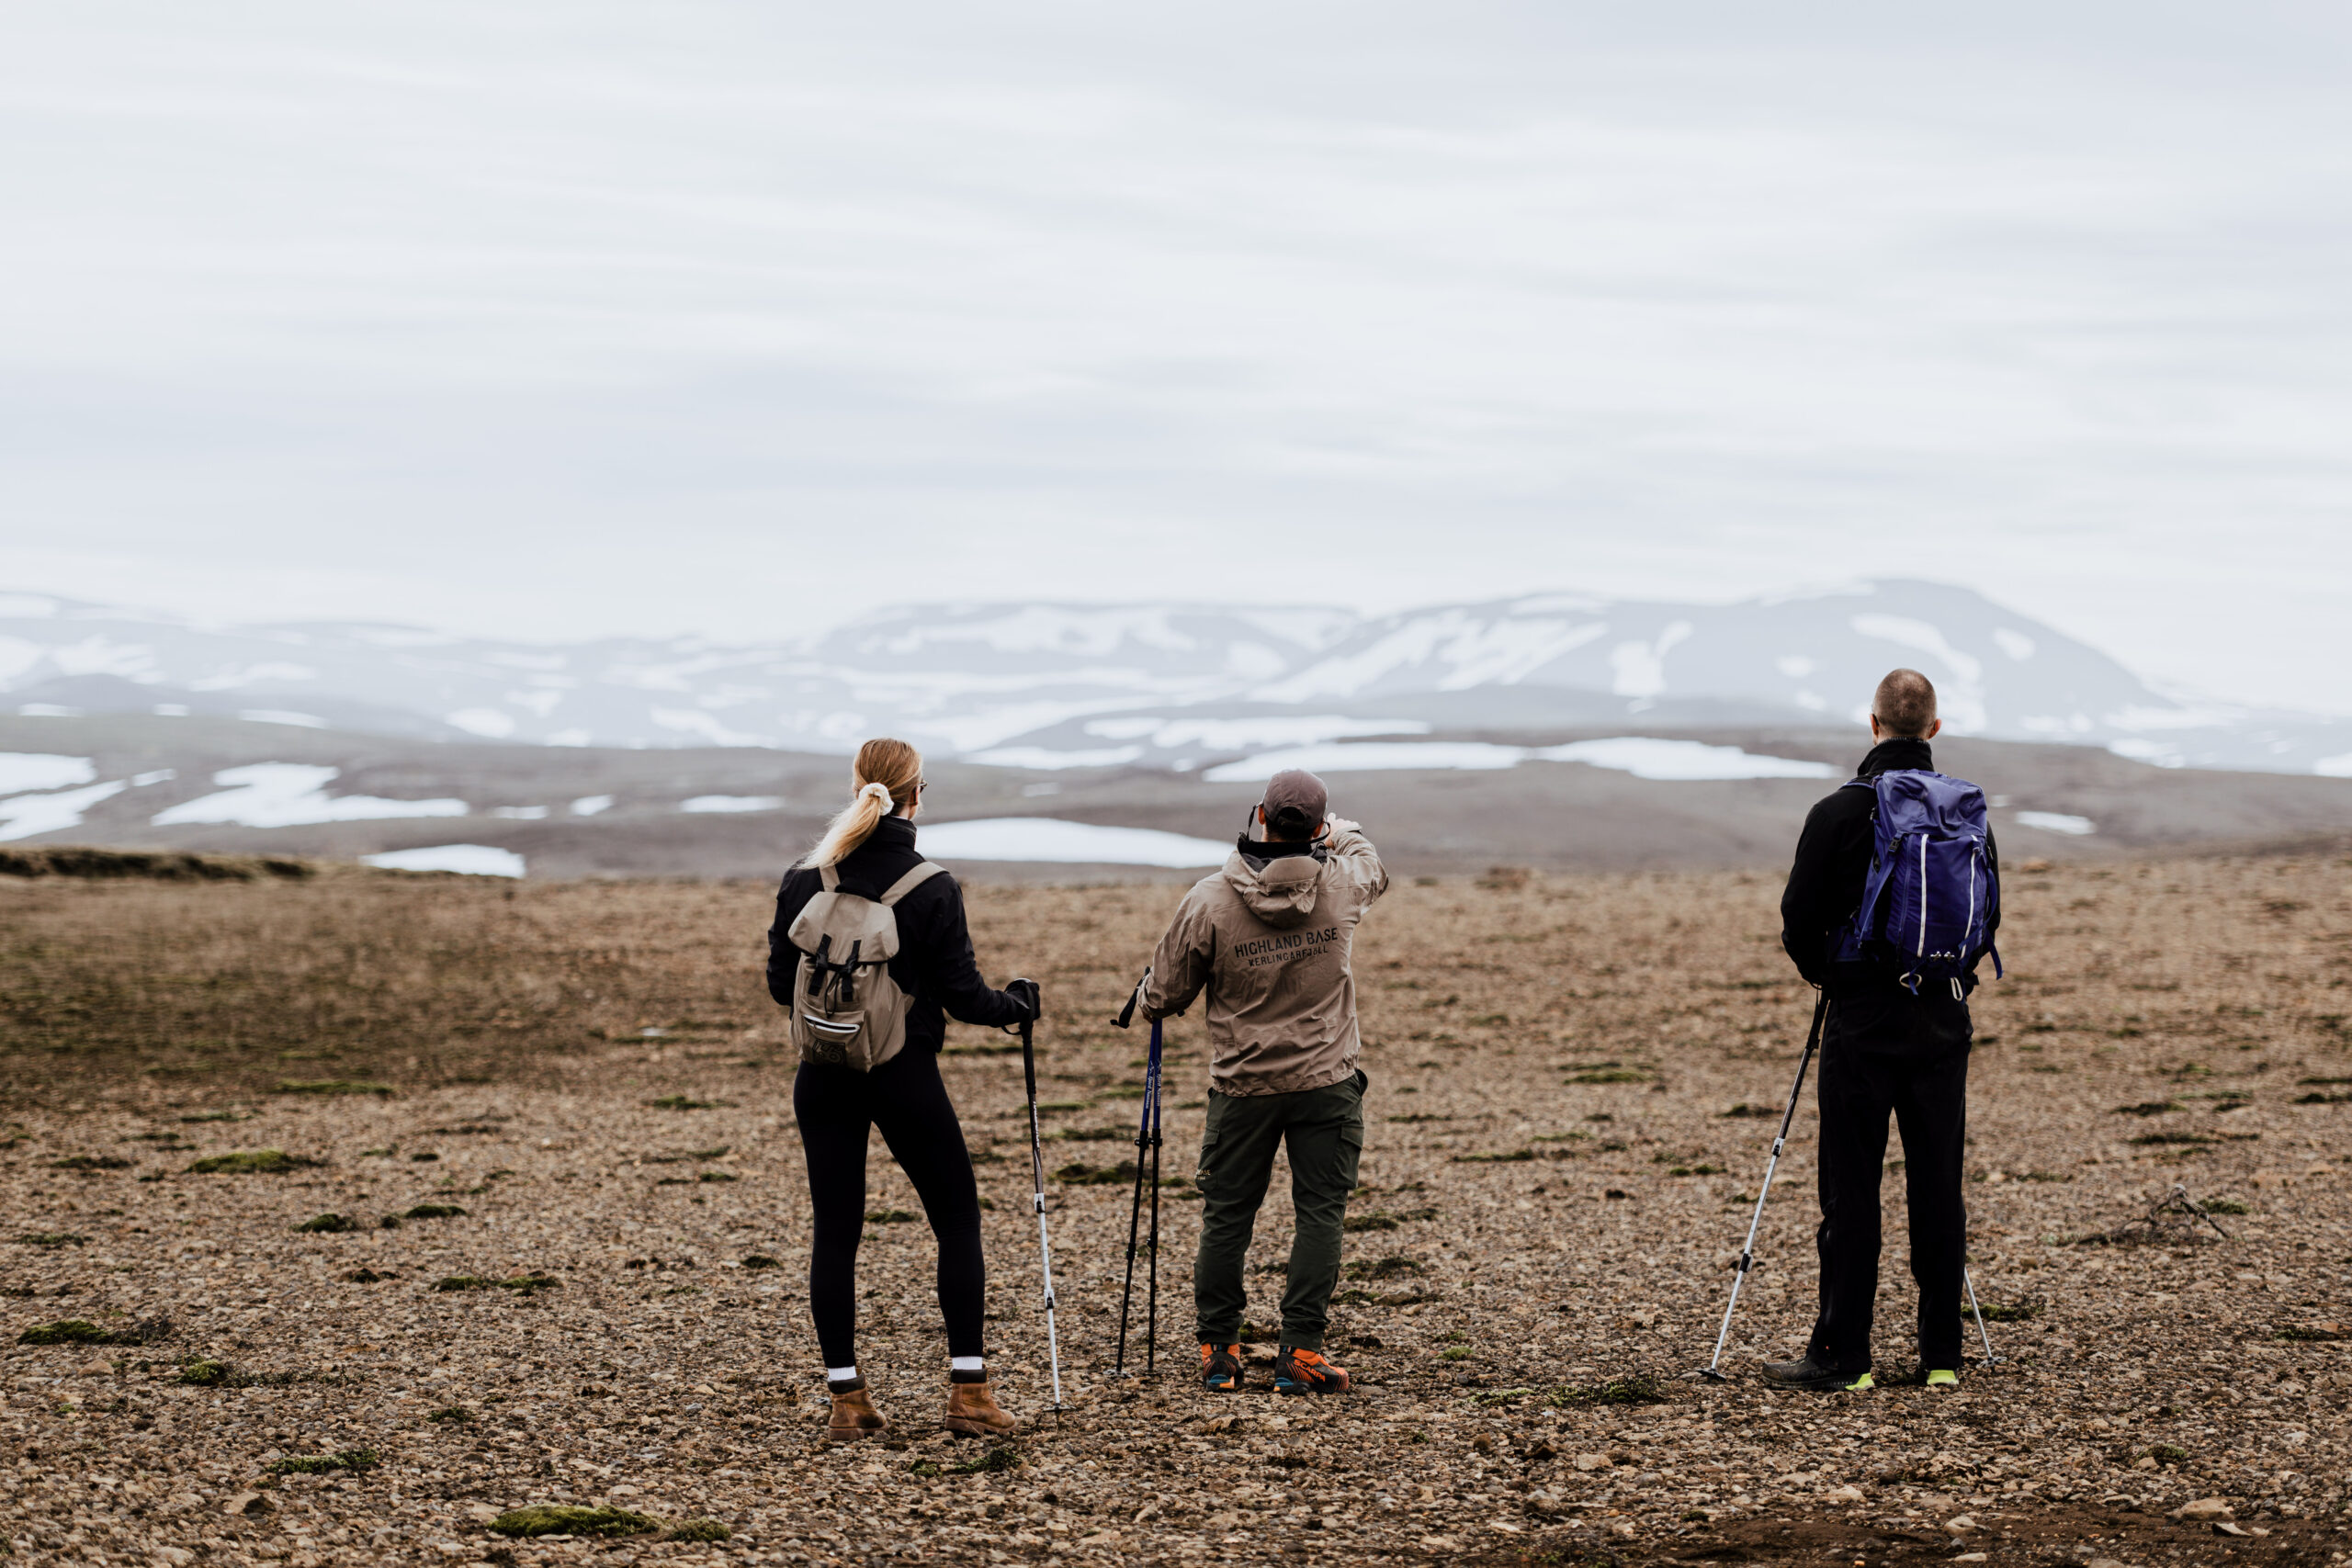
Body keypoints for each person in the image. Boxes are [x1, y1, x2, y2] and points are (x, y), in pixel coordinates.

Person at [766, 739, 1039, 1441]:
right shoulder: (931, 885)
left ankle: (847, 1403)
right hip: (903, 1075)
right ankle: (970, 1394)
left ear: (858, 786)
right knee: (955, 1222)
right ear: (918, 795)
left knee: (837, 1232)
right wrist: (1017, 1006)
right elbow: (963, 995)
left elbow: (778, 986)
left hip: (821, 1076)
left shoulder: (806, 877)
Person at [1770, 668, 2000, 1392]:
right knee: (1938, 1183)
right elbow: (1986, 917)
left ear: (1872, 725)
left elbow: (1797, 923)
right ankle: (1941, 1358)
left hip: (1862, 1018)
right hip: (1943, 1015)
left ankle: (1846, 1356)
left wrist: (1834, 977)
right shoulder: (1966, 812)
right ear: (1933, 729)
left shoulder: (1837, 812)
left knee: (1851, 1185)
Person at [1136, 767, 1388, 1395]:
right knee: (1320, 1212)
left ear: (1260, 816)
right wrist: (1342, 830)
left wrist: (1147, 990)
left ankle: (1219, 1351)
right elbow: (1370, 860)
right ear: (1320, 827)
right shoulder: (1343, 884)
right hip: (1327, 1079)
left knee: (1227, 1216)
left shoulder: (1210, 899)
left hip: (1243, 1087)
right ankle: (1301, 1350)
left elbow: (1162, 998)